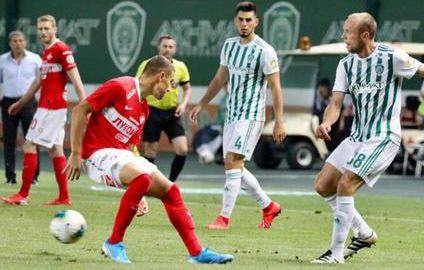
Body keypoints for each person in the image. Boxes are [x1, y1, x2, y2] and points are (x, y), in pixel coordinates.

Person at [311, 12, 424, 264]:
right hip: (358, 137)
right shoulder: (346, 64)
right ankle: (364, 233)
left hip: (383, 137)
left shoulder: (391, 57)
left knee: (346, 183)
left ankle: (335, 254)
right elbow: (335, 102)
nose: (343, 36)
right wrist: (327, 121)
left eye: (348, 32)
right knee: (323, 185)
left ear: (364, 35)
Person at [65, 55, 233, 264]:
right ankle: (113, 242)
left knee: (171, 190)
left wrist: (138, 192)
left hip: (121, 156)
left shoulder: (143, 110)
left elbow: (130, 148)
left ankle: (196, 252)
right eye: (171, 83)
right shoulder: (120, 86)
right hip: (96, 155)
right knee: (142, 178)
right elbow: (80, 110)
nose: (171, 90)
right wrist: (76, 152)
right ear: (161, 76)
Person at [190, 1, 286, 230]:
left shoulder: (265, 51)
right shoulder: (229, 46)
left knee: (233, 163)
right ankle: (268, 205)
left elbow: (276, 88)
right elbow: (219, 79)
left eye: (249, 20)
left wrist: (279, 121)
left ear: (256, 22)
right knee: (233, 166)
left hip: (251, 115)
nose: (244, 24)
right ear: (236, 21)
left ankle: (223, 218)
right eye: (241, 20)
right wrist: (202, 103)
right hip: (232, 115)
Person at [0, 15, 86, 205]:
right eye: (40, 29)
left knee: (29, 144)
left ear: (55, 29)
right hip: (47, 106)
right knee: (56, 150)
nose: (43, 32)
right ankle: (64, 197)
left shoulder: (62, 50)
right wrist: (20, 103)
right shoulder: (47, 52)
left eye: (47, 28)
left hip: (52, 108)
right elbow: (38, 81)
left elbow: (76, 79)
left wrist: (85, 106)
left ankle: (22, 194)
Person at [135, 35, 191, 182]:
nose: (167, 49)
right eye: (164, 46)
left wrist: (184, 104)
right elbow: (138, 85)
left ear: (175, 49)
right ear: (158, 48)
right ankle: (150, 183)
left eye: (171, 46)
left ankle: (171, 183)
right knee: (151, 151)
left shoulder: (180, 67)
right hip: (151, 110)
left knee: (183, 149)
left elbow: (187, 88)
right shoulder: (147, 64)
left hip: (172, 112)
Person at [0, 30, 41, 184]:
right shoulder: (2, 60)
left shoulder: (35, 59)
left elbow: (42, 79)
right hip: (9, 102)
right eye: (15, 41)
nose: (18, 44)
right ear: (10, 43)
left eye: (21, 40)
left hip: (28, 103)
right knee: (9, 140)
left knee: (31, 139)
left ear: (25, 42)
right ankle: (10, 176)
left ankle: (33, 177)